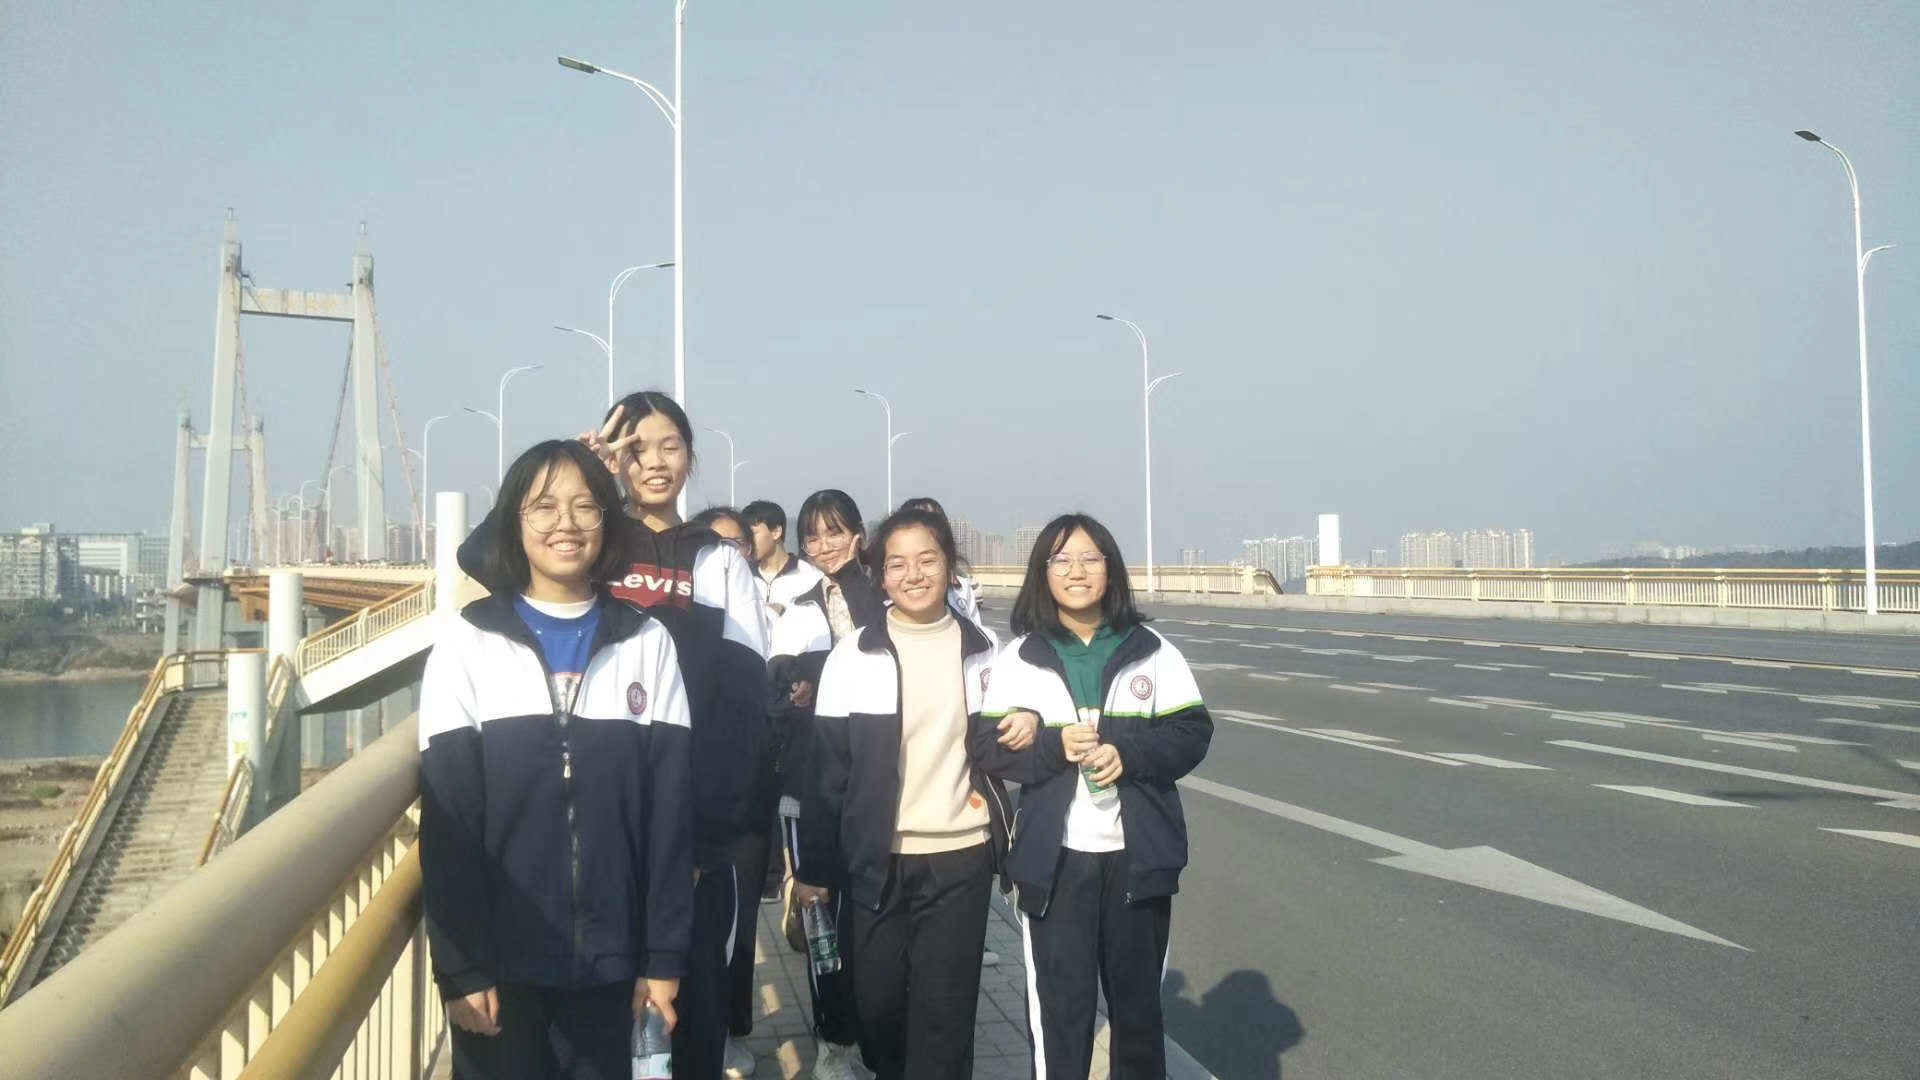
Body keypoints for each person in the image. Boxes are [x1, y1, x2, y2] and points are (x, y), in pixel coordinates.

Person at [458, 392, 769, 1080]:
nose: (653, 462)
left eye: (669, 446)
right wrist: (577, 470)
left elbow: (742, 711)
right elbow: (483, 560)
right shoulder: (590, 543)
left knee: (686, 1020)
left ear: (691, 457)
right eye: (634, 449)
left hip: (682, 838)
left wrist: (698, 843)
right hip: (593, 842)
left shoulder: (717, 560)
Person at [421, 439, 693, 1079]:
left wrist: (663, 957)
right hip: (502, 965)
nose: (565, 523)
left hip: (616, 961)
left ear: (608, 520)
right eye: (543, 506)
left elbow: (670, 816)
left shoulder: (647, 641)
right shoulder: (467, 643)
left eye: (584, 506)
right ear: (513, 522)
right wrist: (461, 967)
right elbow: (449, 822)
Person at [977, 513, 1213, 1080]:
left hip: (1139, 860)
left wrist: (1129, 754)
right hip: (1055, 863)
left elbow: (1191, 732)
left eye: (1090, 558)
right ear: (1043, 573)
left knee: (1138, 1015)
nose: (1076, 571)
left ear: (1110, 569)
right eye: (1061, 560)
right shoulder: (1021, 658)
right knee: (1062, 1014)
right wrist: (1053, 744)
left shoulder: (1152, 651)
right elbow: (987, 748)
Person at [792, 508, 1012, 1080]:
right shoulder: (853, 655)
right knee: (877, 1006)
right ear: (880, 575)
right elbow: (826, 773)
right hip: (876, 860)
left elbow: (1008, 745)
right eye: (897, 564)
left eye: (927, 560)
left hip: (960, 854)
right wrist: (813, 870)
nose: (914, 575)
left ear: (950, 567)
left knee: (946, 1012)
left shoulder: (986, 650)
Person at [766, 490, 884, 1080]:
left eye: (835, 531)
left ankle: (873, 1033)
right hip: (812, 785)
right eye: (812, 535)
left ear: (858, 533)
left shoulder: (885, 597)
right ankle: (833, 1041)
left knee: (873, 917)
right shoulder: (798, 610)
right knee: (822, 919)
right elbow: (773, 691)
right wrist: (798, 688)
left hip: (881, 785)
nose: (824, 545)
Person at [690, 505, 785, 1069]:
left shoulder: (765, 605)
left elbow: (751, 704)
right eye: (714, 543)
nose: (727, 555)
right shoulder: (672, 602)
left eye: (736, 545)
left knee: (733, 924)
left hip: (740, 797)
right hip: (681, 799)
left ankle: (731, 1029)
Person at [895, 496, 985, 630]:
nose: (914, 577)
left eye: (935, 523)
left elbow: (977, 633)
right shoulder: (892, 587)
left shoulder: (961, 588)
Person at [741, 499, 821, 616]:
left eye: (753, 533)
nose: (748, 541)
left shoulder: (810, 575)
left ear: (776, 532)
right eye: (745, 535)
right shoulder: (743, 576)